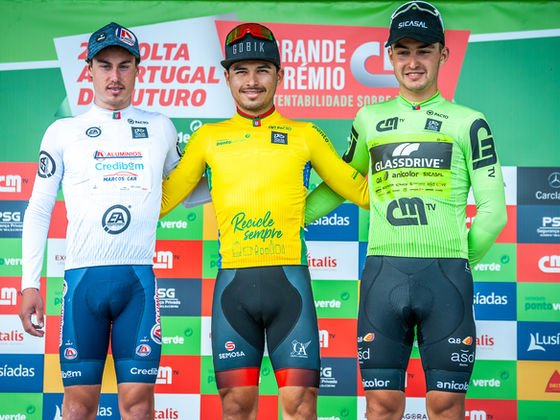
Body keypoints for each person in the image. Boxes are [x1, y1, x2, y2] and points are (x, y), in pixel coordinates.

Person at [305, 2, 507, 419]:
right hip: (383, 275)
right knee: (381, 405)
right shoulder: (369, 118)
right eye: (403, 51)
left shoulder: (469, 121)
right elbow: (344, 182)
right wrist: (289, 218)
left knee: (446, 405)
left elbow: (493, 210)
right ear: (390, 56)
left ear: (443, 54)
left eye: (424, 50)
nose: (413, 62)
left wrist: (457, 262)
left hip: (446, 277)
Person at [160, 23, 369, 420]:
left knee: (301, 406)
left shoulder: (305, 134)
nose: (252, 81)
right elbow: (163, 201)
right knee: (236, 407)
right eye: (241, 71)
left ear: (279, 75)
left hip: (289, 285)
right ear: (227, 78)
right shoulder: (207, 138)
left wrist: (302, 211)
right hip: (233, 289)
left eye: (262, 70)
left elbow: (357, 189)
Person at [18, 22, 208, 420]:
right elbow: (38, 208)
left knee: (138, 407)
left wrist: (242, 169)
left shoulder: (160, 127)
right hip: (81, 283)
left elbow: (193, 192)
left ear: (138, 69)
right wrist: (29, 283)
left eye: (124, 65)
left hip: (136, 284)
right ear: (89, 70)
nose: (114, 76)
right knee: (77, 408)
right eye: (105, 65)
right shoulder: (63, 131)